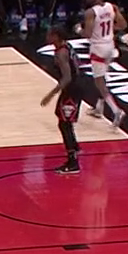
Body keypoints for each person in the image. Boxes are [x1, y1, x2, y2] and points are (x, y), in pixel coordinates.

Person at [40, 27, 82, 174]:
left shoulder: (61, 53)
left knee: (65, 124)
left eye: (49, 35)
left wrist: (50, 94)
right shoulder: (66, 46)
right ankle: (75, 147)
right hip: (74, 87)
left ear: (56, 36)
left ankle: (73, 162)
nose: (47, 37)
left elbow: (67, 77)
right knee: (61, 117)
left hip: (71, 89)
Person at [83, 0, 127, 127]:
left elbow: (88, 34)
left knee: (99, 82)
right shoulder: (111, 7)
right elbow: (123, 25)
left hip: (98, 49)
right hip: (110, 46)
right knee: (103, 77)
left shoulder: (90, 12)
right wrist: (111, 28)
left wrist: (78, 29)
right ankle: (99, 108)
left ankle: (116, 111)